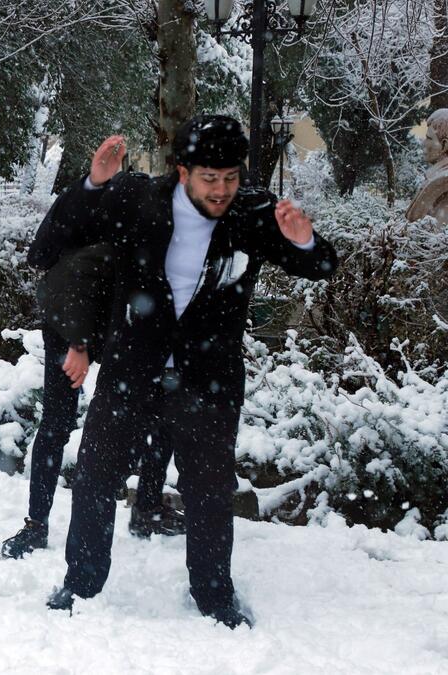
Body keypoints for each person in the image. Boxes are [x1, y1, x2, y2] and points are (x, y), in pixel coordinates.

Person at [42, 115, 338, 628]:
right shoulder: (137, 199)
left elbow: (322, 265)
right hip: (132, 369)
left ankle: (214, 596)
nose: (221, 190)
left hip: (207, 378)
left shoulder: (251, 213)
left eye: (230, 178)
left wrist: (305, 242)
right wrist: (92, 183)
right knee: (95, 478)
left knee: (209, 492)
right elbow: (56, 239)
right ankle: (81, 584)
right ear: (183, 172)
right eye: (209, 178)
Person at [1, 224, 183, 559]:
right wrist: (79, 343)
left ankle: (147, 508)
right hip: (72, 322)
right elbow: (72, 284)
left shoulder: (142, 238)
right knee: (57, 422)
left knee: (160, 407)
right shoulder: (122, 242)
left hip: (104, 321)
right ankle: (36, 525)